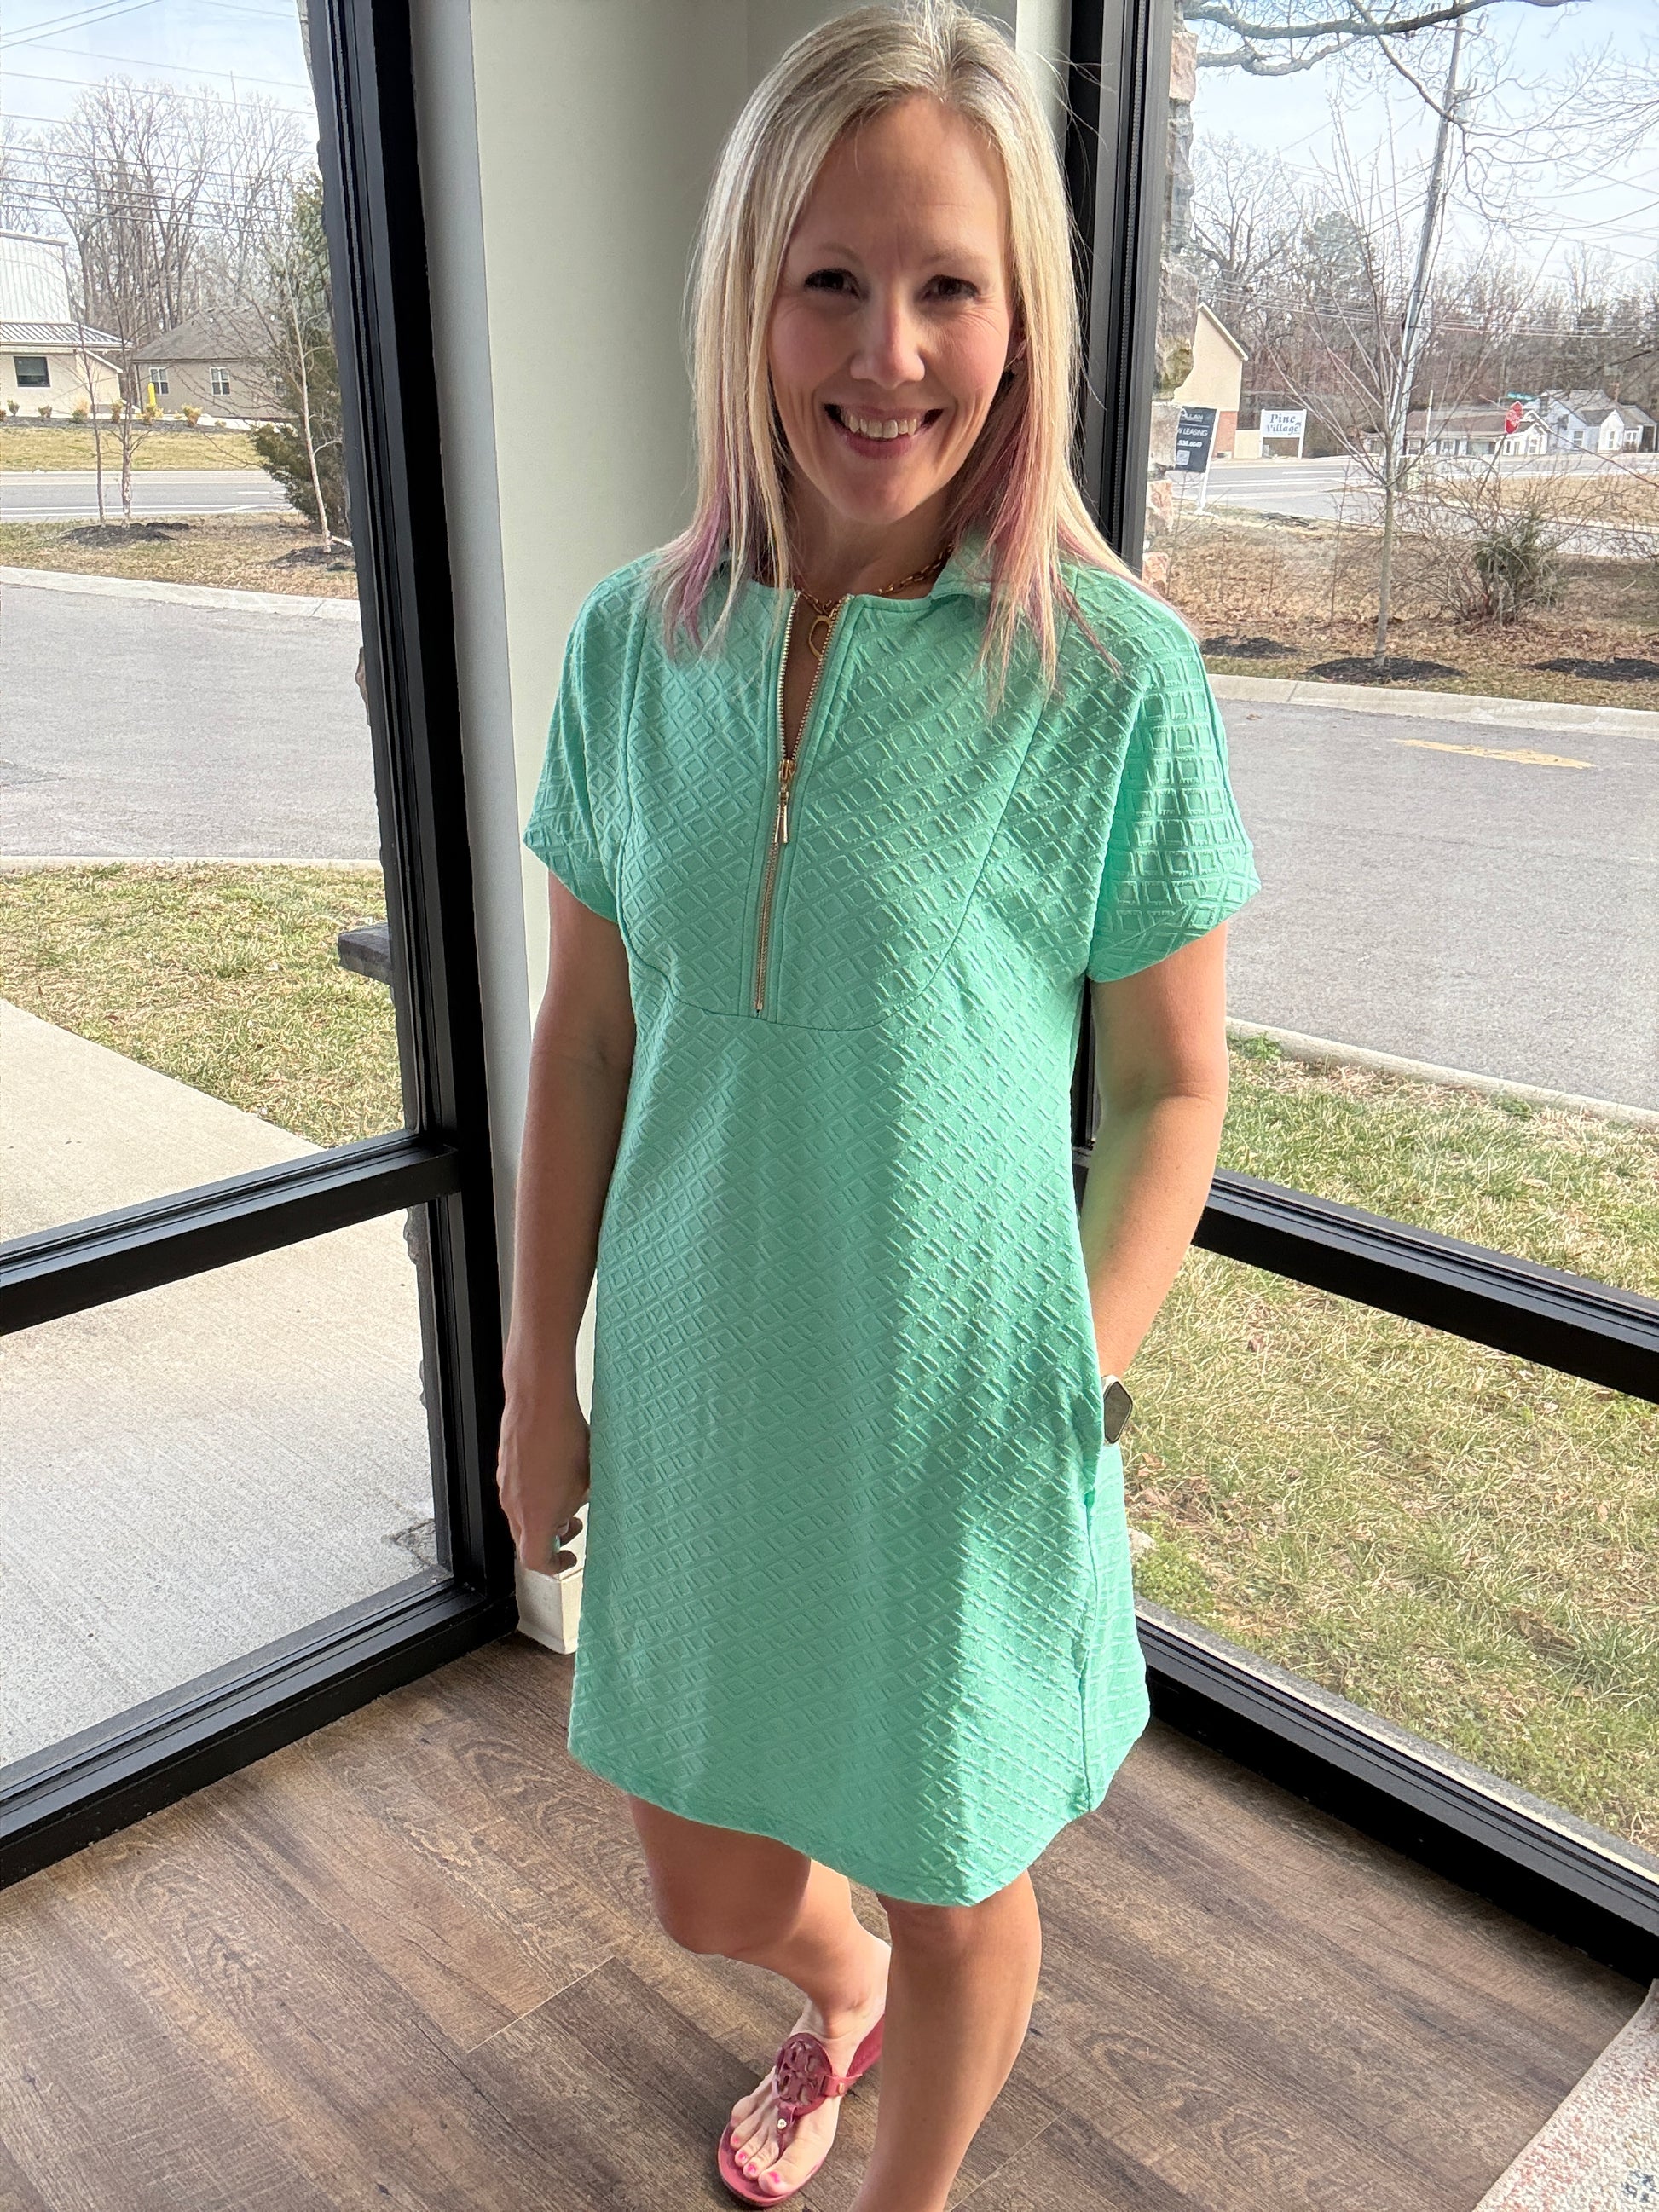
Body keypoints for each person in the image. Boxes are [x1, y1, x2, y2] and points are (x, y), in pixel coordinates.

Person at [496, 4, 1260, 2207]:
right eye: (829, 278)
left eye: (948, 287)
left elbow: (1170, 1079)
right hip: (701, 1389)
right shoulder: (630, 647)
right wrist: (538, 1378)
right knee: (709, 1881)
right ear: (748, 293)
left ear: (1022, 323)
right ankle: (823, 1997)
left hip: (957, 1410)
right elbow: (583, 1040)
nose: (887, 351)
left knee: (954, 1876)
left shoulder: (1109, 676)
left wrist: (1077, 1367)